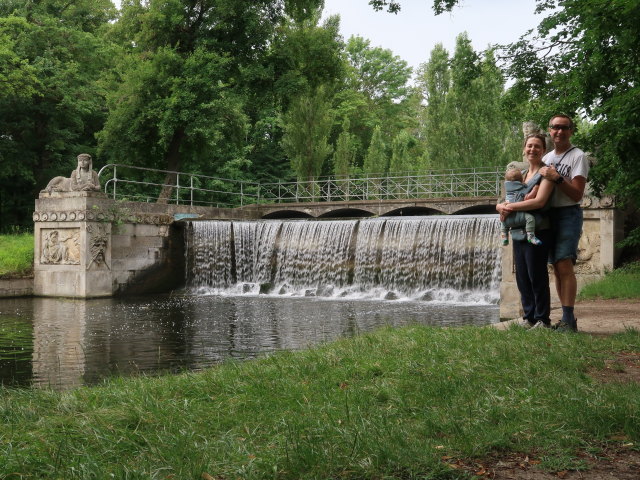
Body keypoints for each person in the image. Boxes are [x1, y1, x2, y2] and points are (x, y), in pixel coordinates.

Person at [497, 133, 556, 329]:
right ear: (524, 149)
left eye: (537, 146)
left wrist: (510, 208)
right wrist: (499, 207)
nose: (532, 149)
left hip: (537, 231)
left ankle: (542, 319)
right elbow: (507, 199)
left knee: (536, 276)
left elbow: (539, 202)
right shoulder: (521, 176)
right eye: (529, 146)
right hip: (518, 233)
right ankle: (528, 317)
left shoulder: (545, 173)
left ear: (544, 150)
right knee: (522, 277)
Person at [538, 114, 589, 332]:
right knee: (556, 267)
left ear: (571, 131)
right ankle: (565, 318)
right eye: (555, 128)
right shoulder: (547, 156)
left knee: (565, 264)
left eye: (564, 128)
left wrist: (557, 177)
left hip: (568, 214)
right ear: (549, 130)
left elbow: (577, 194)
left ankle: (569, 318)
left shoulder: (578, 156)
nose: (559, 132)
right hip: (549, 215)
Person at [500, 168, 543, 246]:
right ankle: (530, 236)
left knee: (502, 221)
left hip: (507, 219)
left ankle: (504, 237)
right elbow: (532, 182)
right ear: (521, 180)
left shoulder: (508, 191)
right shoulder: (522, 189)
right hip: (519, 217)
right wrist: (536, 186)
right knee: (530, 219)